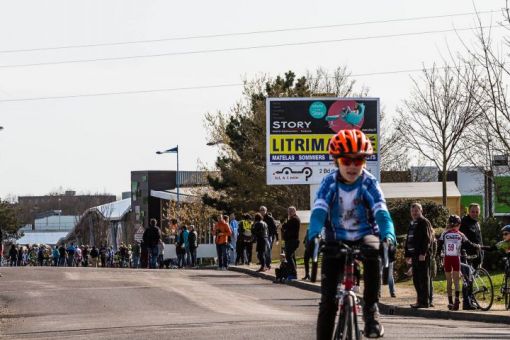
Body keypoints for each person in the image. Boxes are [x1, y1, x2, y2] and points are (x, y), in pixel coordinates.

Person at [307, 129, 395, 339]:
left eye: (359, 160)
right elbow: (319, 212)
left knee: (374, 251)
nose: (353, 166)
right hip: (336, 239)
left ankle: (371, 311)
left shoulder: (369, 183)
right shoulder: (329, 183)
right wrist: (313, 236)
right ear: (337, 160)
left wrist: (389, 237)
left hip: (365, 235)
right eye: (347, 160)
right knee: (327, 301)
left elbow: (382, 213)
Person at [437, 215, 481, 310]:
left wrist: (438, 257)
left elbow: (439, 246)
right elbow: (469, 243)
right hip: (456, 258)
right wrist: (477, 246)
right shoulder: (460, 234)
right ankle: (457, 299)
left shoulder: (444, 234)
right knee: (457, 281)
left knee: (449, 281)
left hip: (447, 259)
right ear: (459, 224)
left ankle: (450, 302)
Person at [405, 202, 434, 309]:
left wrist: (423, 253)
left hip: (422, 255)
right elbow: (409, 239)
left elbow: (427, 239)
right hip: (413, 255)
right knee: (416, 279)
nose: (414, 213)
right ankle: (419, 300)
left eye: (416, 210)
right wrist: (407, 254)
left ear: (421, 211)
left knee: (423, 279)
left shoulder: (424, 222)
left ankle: (425, 302)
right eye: (412, 211)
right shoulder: (412, 223)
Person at [459, 203, 483, 309]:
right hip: (466, 254)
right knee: (467, 278)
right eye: (473, 211)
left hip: (476, 254)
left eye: (477, 212)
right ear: (469, 211)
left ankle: (471, 300)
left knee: (472, 279)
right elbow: (463, 239)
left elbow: (479, 239)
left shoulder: (477, 223)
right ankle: (466, 302)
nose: (475, 213)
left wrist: (482, 254)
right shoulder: (463, 222)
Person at [281, 206, 300, 280]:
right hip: (290, 240)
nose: (289, 213)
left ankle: (293, 273)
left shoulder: (294, 219)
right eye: (288, 211)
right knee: (292, 257)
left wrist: (285, 223)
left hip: (292, 241)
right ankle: (292, 272)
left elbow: (284, 226)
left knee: (288, 256)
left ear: (294, 211)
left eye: (291, 211)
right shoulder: (292, 219)